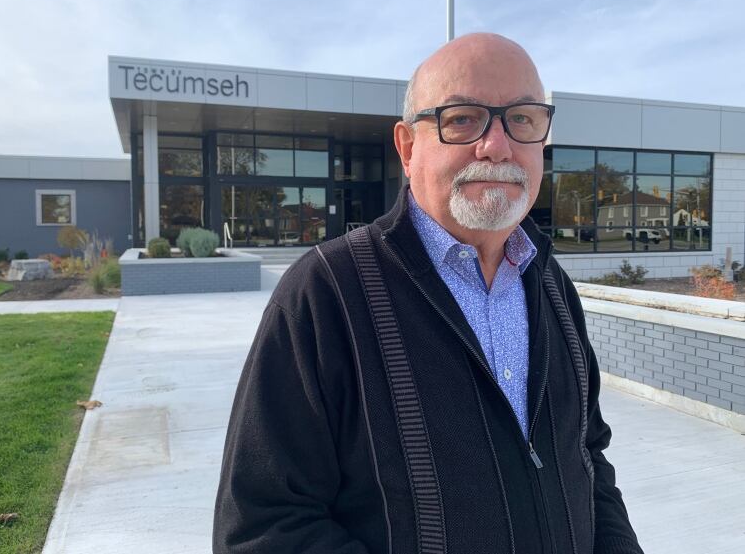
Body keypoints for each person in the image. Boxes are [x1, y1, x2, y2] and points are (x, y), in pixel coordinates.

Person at [213, 33, 644, 554]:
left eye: (523, 119)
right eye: (462, 118)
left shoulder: (552, 286)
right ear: (408, 146)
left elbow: (588, 456)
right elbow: (264, 526)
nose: (498, 145)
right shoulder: (326, 294)